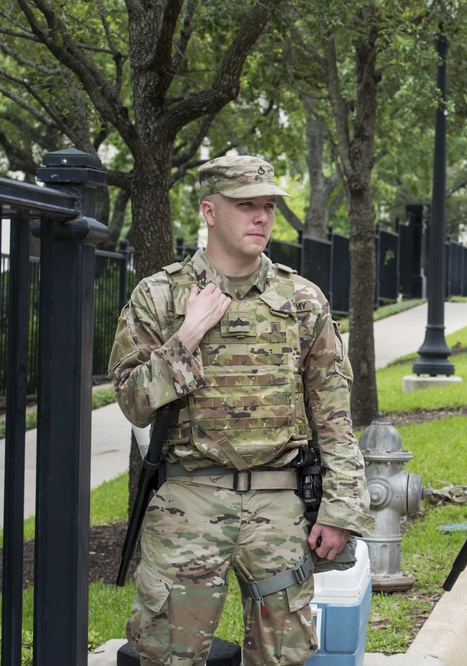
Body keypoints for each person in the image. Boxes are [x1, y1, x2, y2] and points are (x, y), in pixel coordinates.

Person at [108, 155, 373, 666]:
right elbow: (132, 403)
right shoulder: (160, 296)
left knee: (285, 656)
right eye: (246, 205)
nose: (262, 217)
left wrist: (341, 512)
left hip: (279, 506)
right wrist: (184, 338)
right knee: (168, 654)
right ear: (209, 211)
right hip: (189, 500)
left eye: (268, 206)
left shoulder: (301, 300)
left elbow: (334, 417)